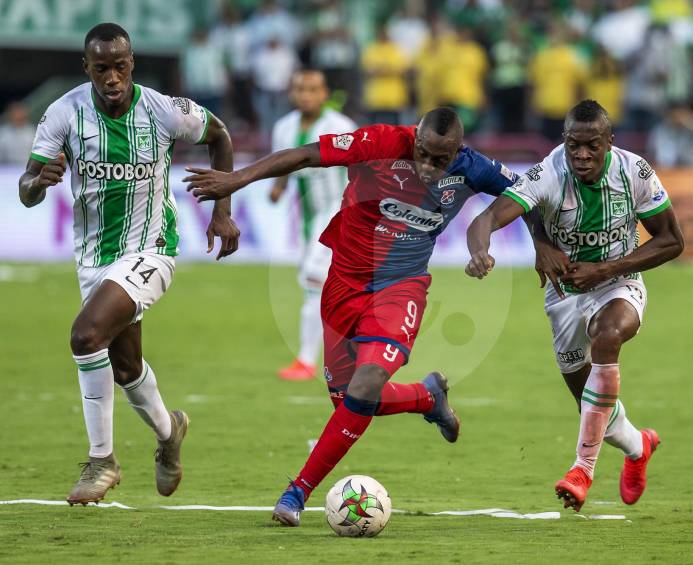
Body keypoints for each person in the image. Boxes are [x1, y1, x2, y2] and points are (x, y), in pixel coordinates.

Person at [184, 107, 537, 527]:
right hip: (344, 284)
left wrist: (530, 246)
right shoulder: (382, 142)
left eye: (439, 160)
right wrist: (238, 179)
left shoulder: (474, 167)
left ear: (457, 151)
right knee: (348, 401)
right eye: (422, 153)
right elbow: (305, 155)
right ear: (415, 139)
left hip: (400, 287)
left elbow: (529, 195)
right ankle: (426, 397)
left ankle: (297, 491)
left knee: (367, 383)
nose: (427, 166)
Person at [17, 23, 240, 505]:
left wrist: (223, 210)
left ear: (132, 62)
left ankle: (102, 461)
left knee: (85, 336)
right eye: (102, 69)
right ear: (87, 68)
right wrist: (40, 183)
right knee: (125, 366)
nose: (112, 77)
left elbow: (220, 134)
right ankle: (169, 432)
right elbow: (26, 190)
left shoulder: (162, 109)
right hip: (94, 258)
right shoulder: (63, 113)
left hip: (153, 248)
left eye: (120, 66)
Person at [466, 100, 684, 512]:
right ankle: (639, 447)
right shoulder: (549, 172)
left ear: (610, 142)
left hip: (619, 279)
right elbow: (487, 219)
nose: (582, 155)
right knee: (589, 400)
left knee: (608, 335)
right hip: (565, 292)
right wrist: (480, 251)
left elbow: (672, 240)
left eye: (592, 146)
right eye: (573, 146)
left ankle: (582, 469)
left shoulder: (634, 172)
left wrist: (607, 269)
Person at [269, 69, 356, 380]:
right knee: (318, 285)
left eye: (313, 89)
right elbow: (282, 162)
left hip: (338, 215)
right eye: (300, 89)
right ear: (292, 93)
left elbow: (360, 168)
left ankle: (307, 360)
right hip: (306, 220)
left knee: (313, 279)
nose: (306, 95)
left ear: (324, 93)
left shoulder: (341, 127)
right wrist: (279, 186)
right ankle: (344, 351)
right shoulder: (284, 128)